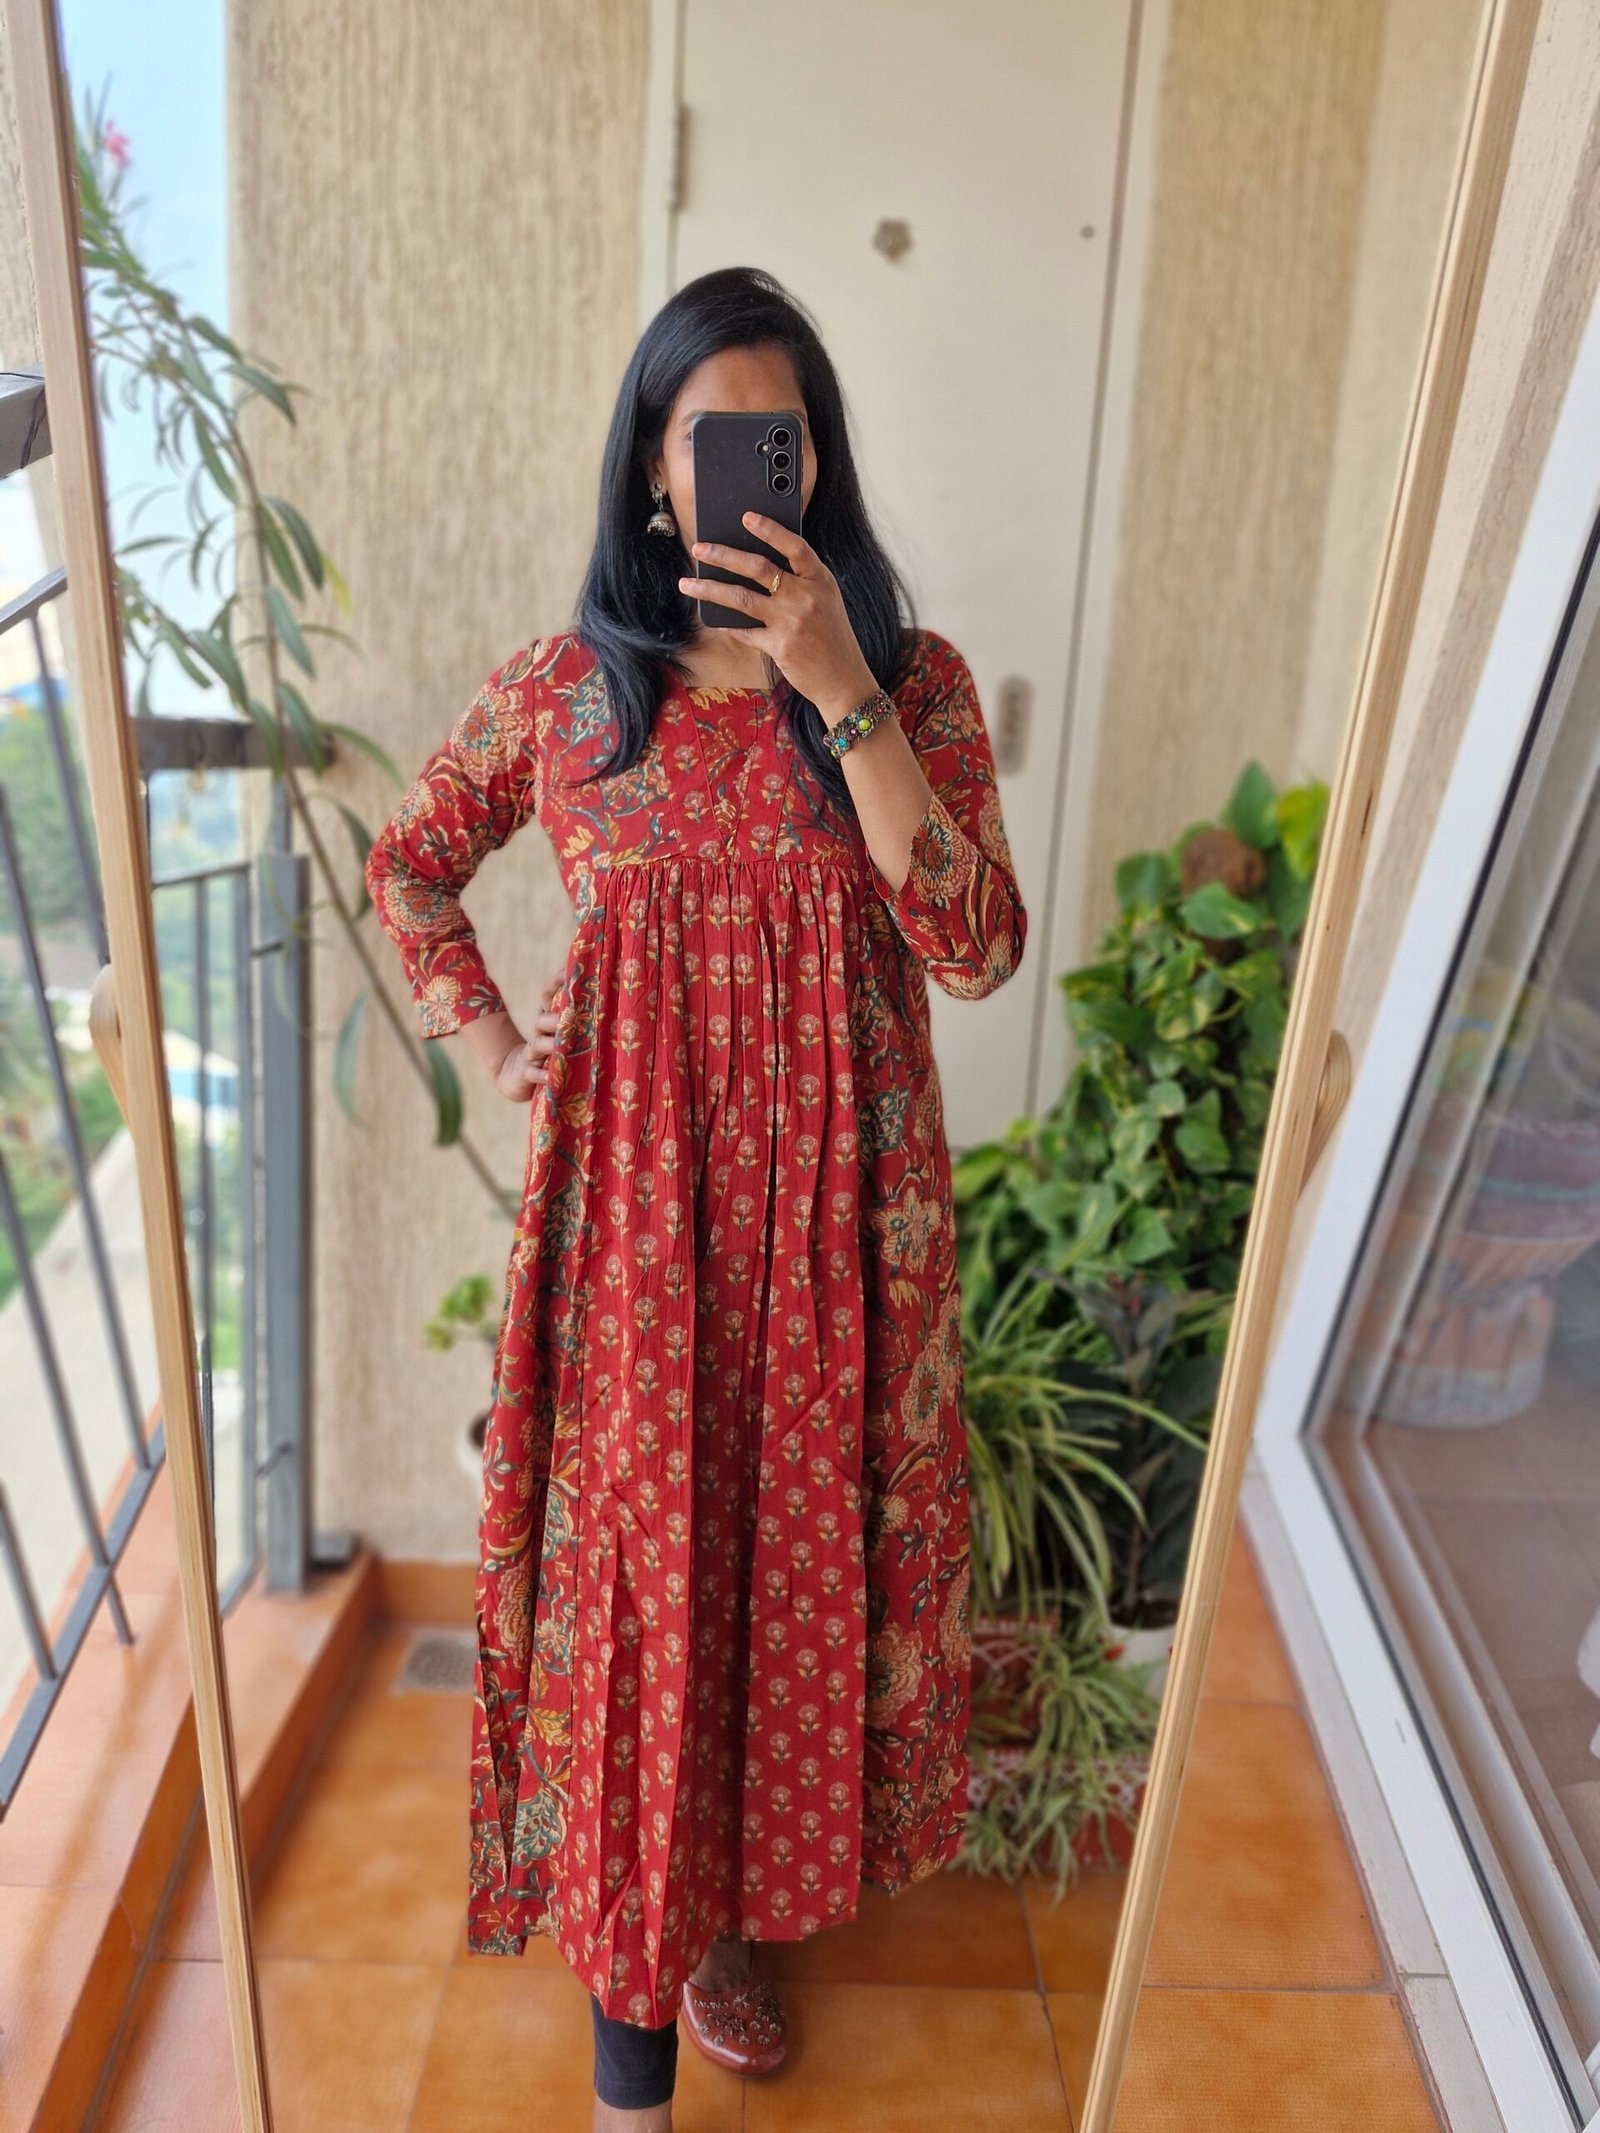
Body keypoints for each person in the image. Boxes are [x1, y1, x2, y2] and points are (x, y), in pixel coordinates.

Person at [365, 263, 1027, 2131]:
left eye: (780, 438)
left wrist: (841, 692)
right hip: (637, 1248)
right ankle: (634, 2027)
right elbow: (410, 864)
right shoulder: (573, 694)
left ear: (815, 462)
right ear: (655, 471)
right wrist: (495, 1044)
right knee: (640, 1607)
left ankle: (719, 1906)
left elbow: (974, 948)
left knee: (788, 1580)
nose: (750, 468)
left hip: (844, 1247)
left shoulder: (909, 685)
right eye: (711, 435)